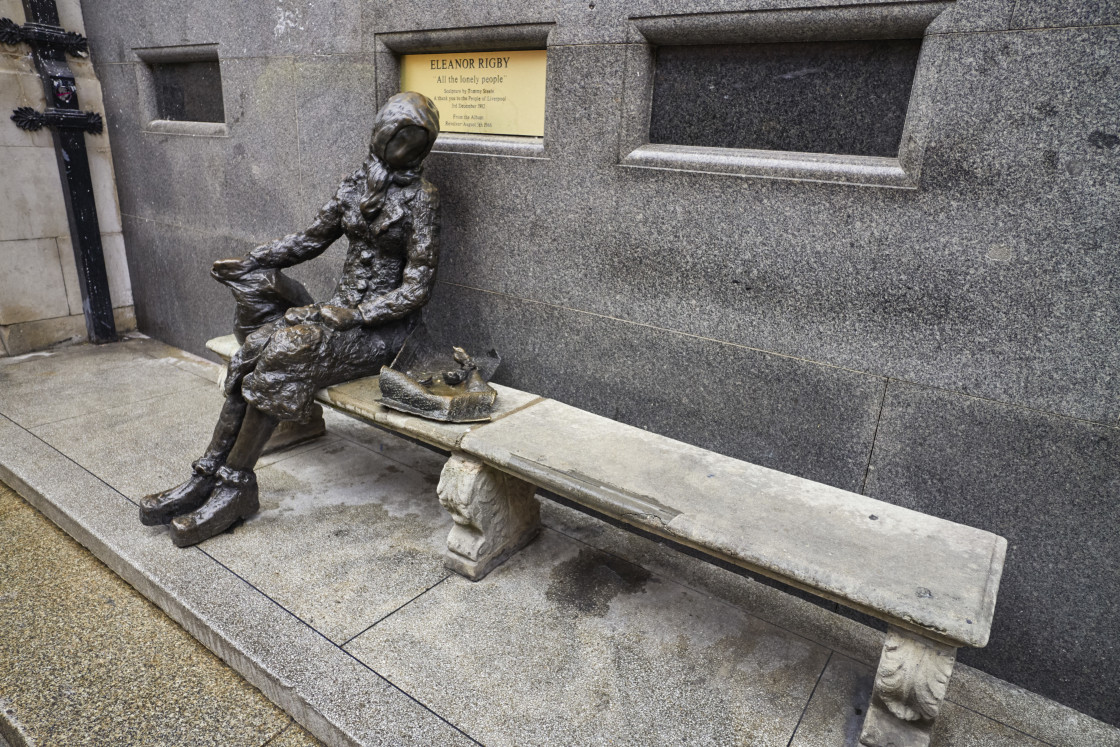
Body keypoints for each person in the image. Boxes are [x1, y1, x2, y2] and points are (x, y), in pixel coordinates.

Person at [140, 92, 441, 547]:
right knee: (255, 346)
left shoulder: (424, 199)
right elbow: (309, 239)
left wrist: (358, 312)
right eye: (398, 137)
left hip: (386, 334)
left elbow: (417, 288)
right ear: (381, 134)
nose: (405, 148)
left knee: (287, 350)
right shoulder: (355, 183)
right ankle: (206, 477)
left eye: (415, 141)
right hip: (338, 317)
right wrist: (251, 261)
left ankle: (235, 488)